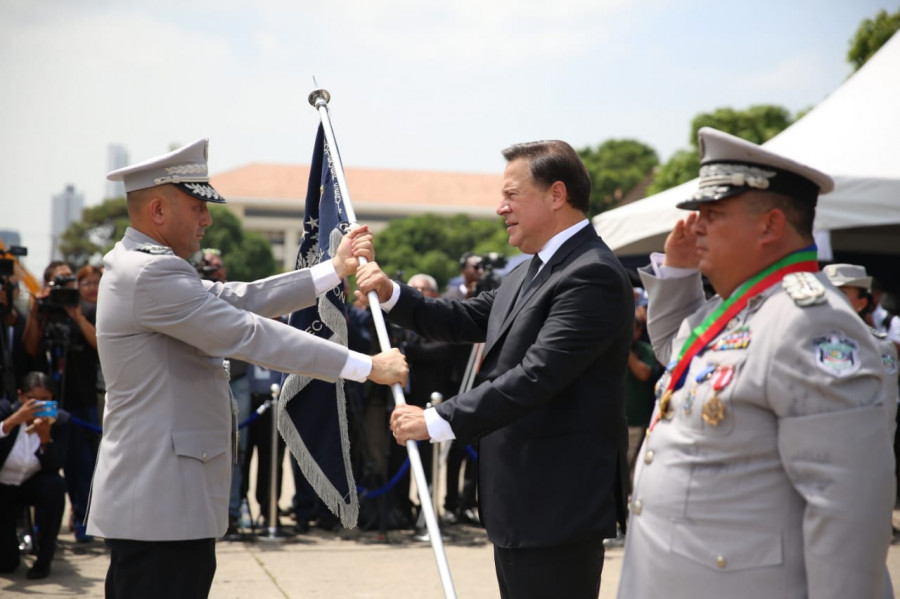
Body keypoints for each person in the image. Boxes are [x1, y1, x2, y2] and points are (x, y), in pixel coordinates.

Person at [85, 138, 408, 599]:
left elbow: (242, 298)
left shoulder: (150, 268)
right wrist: (365, 365)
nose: (207, 219)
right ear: (158, 210)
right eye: (197, 207)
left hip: (164, 504)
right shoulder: (149, 274)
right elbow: (250, 334)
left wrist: (333, 270)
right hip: (160, 507)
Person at [620, 127, 897, 598]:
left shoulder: (810, 323)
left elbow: (846, 511)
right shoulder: (729, 311)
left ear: (769, 226)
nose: (695, 227)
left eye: (713, 214)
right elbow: (675, 355)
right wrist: (680, 272)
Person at [357, 139, 633, 599]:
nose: (499, 208)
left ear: (556, 195)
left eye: (511, 194)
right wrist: (390, 293)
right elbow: (465, 318)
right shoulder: (532, 270)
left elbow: (536, 375)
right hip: (523, 504)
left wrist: (436, 420)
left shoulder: (592, 274)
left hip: (556, 505)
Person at [22, 260, 99, 543]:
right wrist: (36, 309)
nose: (66, 286)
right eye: (60, 281)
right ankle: (43, 527)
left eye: (70, 280)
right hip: (47, 399)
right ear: (47, 285)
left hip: (81, 399)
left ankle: (83, 521)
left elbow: (100, 346)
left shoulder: (88, 310)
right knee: (44, 462)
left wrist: (77, 315)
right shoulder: (42, 311)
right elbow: (30, 348)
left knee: (83, 466)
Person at [0, 371, 67, 580]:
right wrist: (11, 422)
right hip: (2, 489)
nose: (38, 405)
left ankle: (43, 560)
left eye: (44, 400)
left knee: (55, 486)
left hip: (31, 484)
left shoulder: (61, 422)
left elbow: (56, 466)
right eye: (32, 400)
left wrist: (46, 440)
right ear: (20, 397)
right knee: (6, 563)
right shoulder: (3, 410)